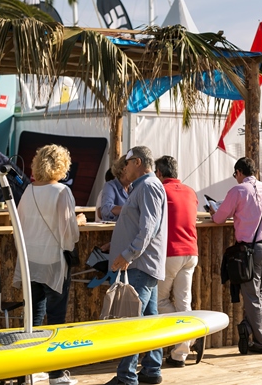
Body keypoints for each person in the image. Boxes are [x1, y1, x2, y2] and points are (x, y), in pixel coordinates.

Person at [14, 144, 86, 385]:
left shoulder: (28, 191)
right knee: (56, 318)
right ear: (61, 165)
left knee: (32, 318)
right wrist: (78, 222)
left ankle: (31, 370)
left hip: (30, 262)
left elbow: (21, 227)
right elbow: (69, 236)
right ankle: (57, 374)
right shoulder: (61, 192)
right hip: (54, 263)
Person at [105, 146, 168, 385]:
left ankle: (126, 376)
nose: (124, 168)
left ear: (138, 162)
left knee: (131, 321)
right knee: (148, 320)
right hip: (142, 265)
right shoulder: (146, 187)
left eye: (128, 163)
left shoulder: (148, 187)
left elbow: (148, 229)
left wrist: (128, 254)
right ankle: (151, 369)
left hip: (139, 265)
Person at [210, 157, 262, 355]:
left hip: (252, 251)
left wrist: (214, 210)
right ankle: (249, 327)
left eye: (235, 175)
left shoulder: (238, 190)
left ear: (239, 172)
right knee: (258, 294)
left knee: (252, 297)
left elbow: (218, 218)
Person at [154, 155, 203, 367]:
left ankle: (188, 338)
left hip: (170, 252)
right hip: (191, 251)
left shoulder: (160, 191)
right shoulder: (190, 192)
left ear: (159, 173)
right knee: (184, 302)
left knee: (159, 301)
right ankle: (181, 351)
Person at [99, 155, 130, 222]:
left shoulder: (136, 186)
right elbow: (106, 209)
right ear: (124, 170)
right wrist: (129, 210)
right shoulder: (110, 185)